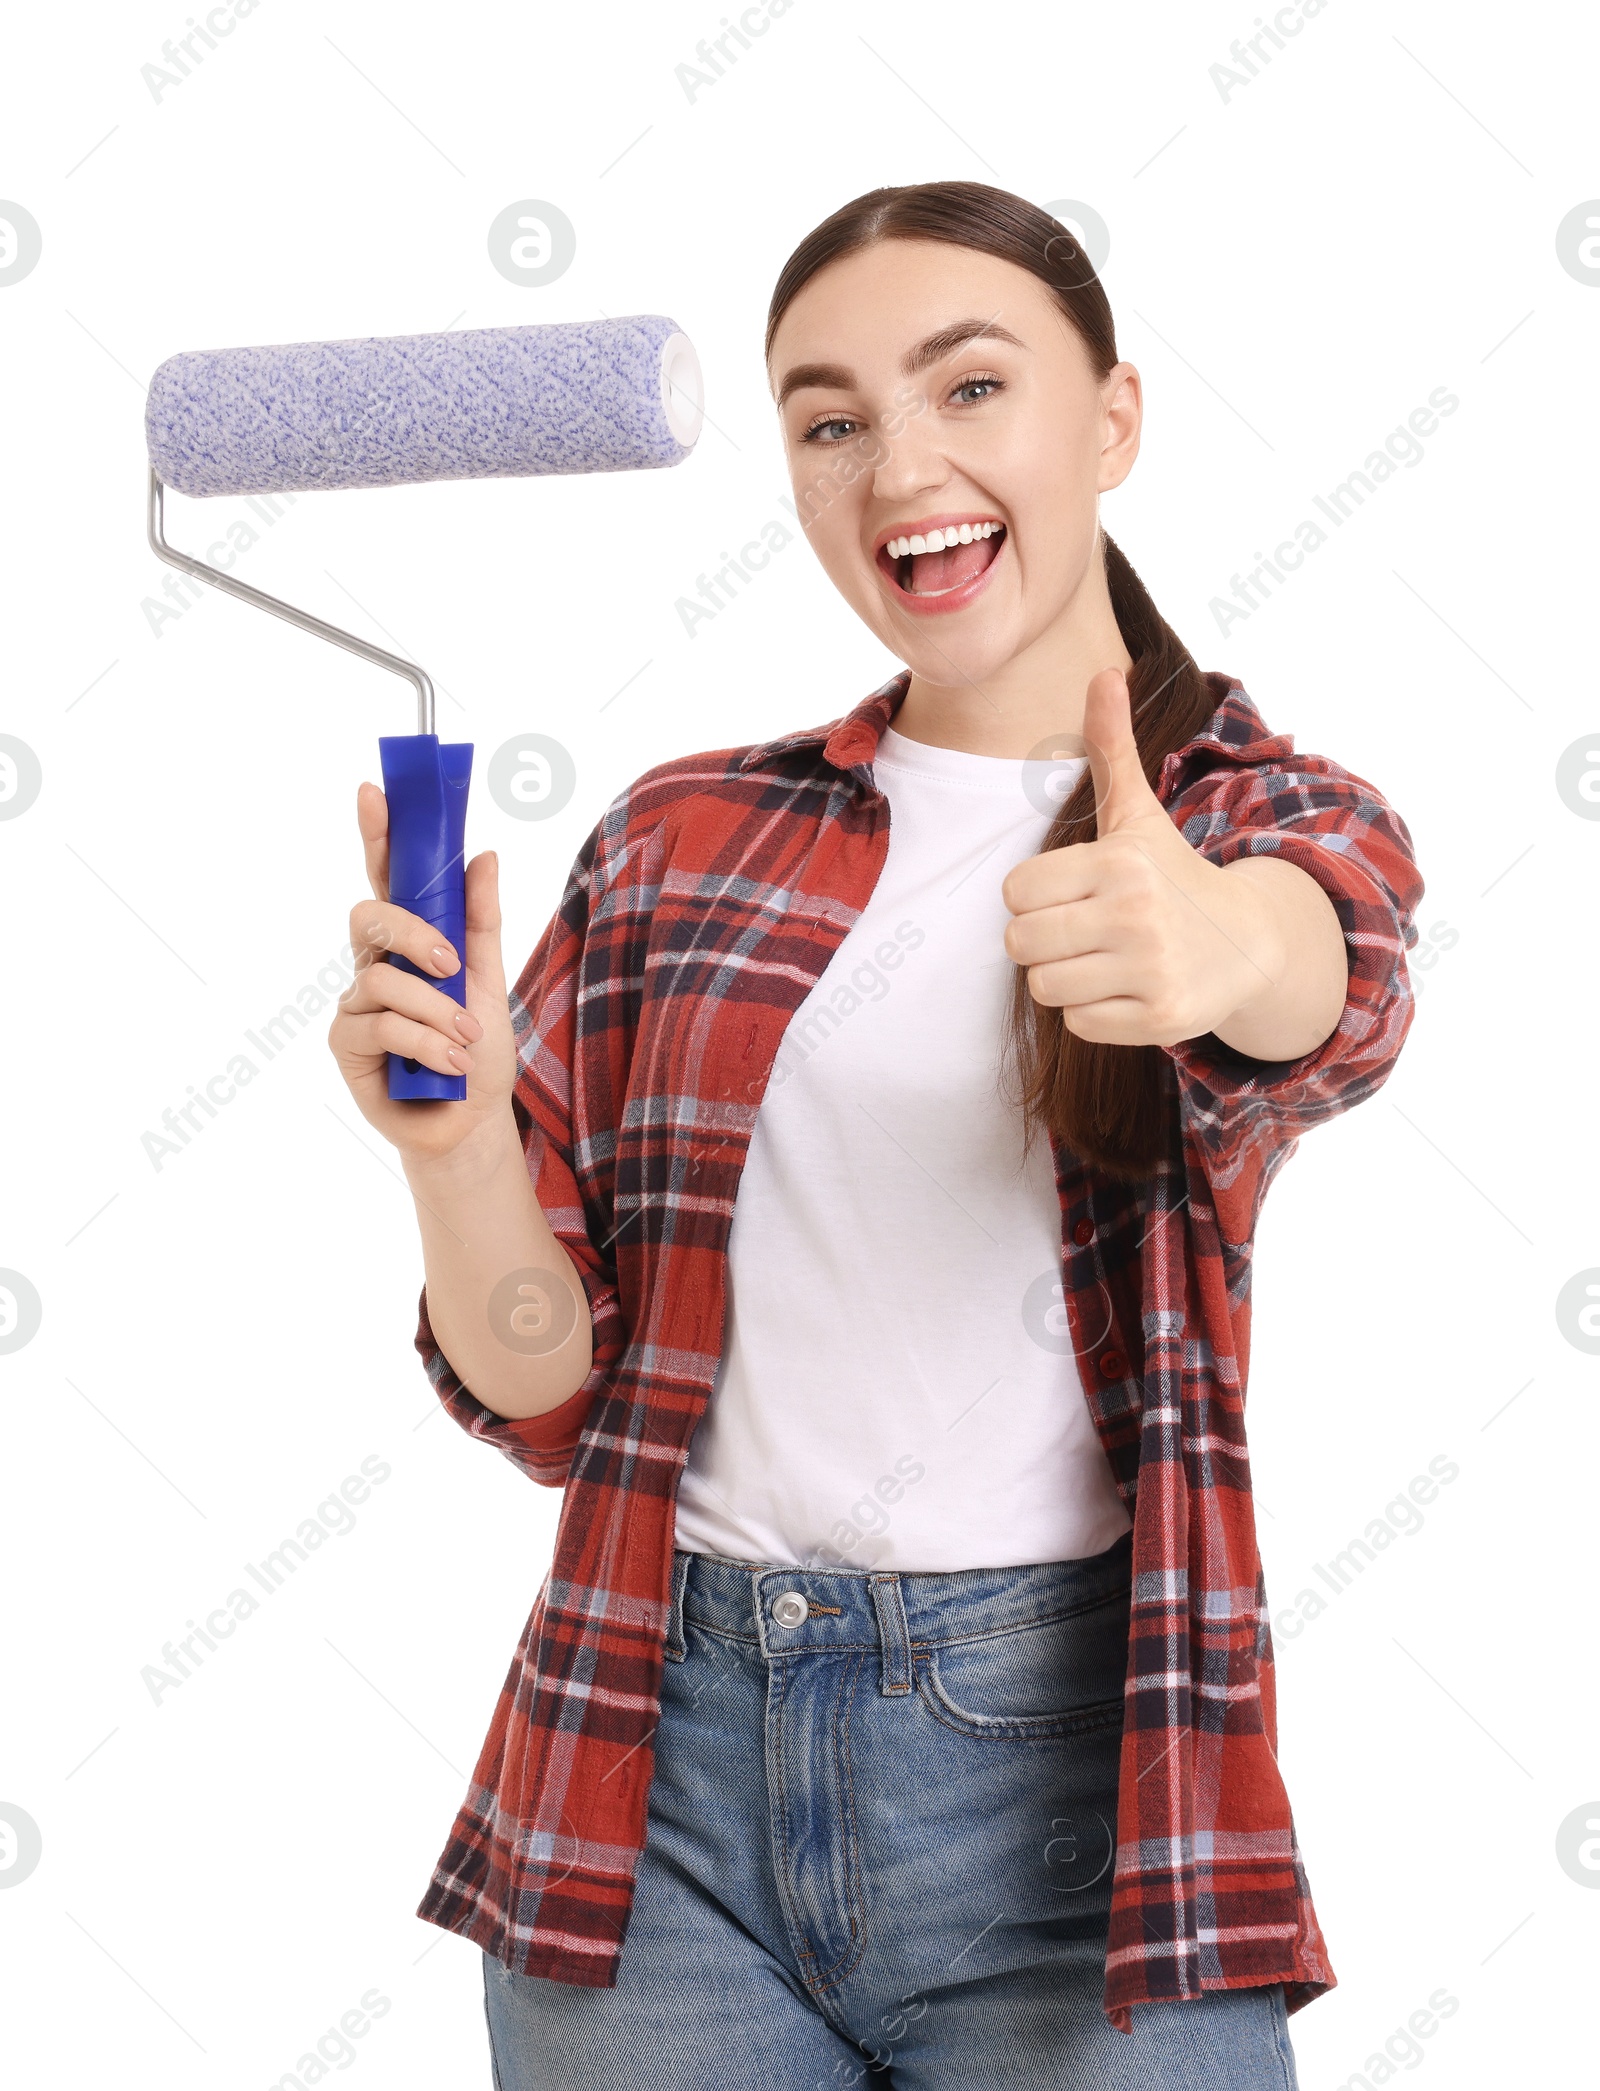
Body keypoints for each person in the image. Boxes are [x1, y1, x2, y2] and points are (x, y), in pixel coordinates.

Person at [329, 180, 1424, 2088]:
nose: (898, 463)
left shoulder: (1249, 814)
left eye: (970, 386)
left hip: (1075, 1798)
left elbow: (1336, 984)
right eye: (831, 419)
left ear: (1114, 420)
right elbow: (544, 1393)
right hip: (649, 1778)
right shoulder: (684, 843)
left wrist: (1218, 941)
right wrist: (448, 1150)